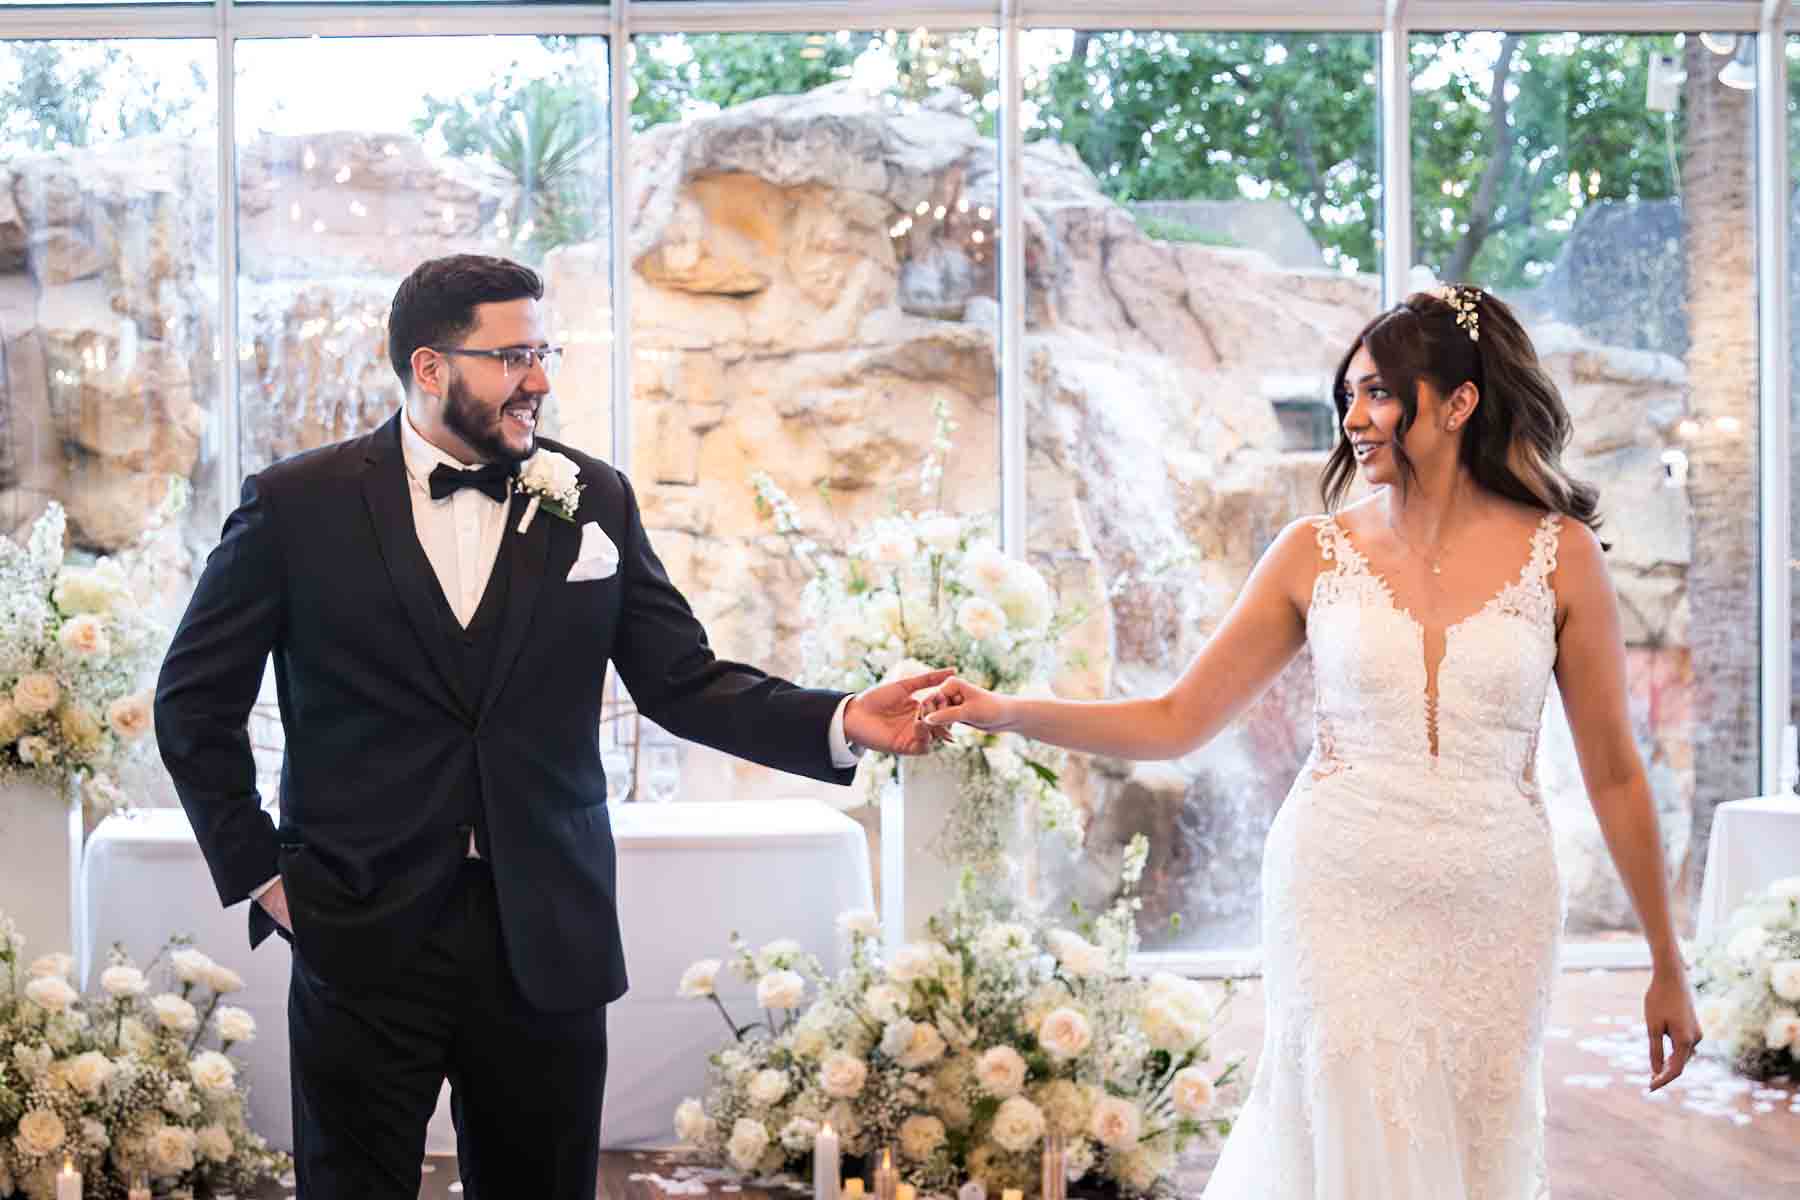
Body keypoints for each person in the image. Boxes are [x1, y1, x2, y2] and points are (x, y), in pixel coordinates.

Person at [153, 253, 953, 1200]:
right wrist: (266, 879)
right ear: (430, 367)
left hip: (546, 930)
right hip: (358, 926)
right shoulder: (295, 505)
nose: (539, 379)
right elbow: (193, 702)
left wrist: (846, 717)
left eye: (545, 351)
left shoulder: (594, 496)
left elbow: (682, 681)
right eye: (512, 356)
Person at [918, 287, 1701, 1197]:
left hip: (1498, 909)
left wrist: (1666, 963)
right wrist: (1005, 709)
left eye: (1376, 393)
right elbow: (1175, 720)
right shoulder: (1311, 552)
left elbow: (1613, 774)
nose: (1354, 418)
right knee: (1344, 1128)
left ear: (1458, 402)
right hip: (1340, 890)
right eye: (1349, 396)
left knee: (1479, 1143)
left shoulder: (1562, 555)